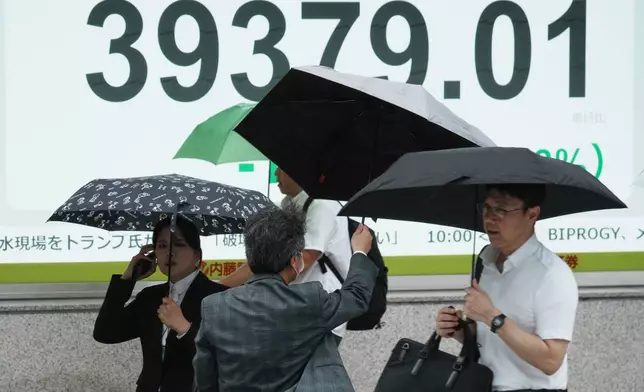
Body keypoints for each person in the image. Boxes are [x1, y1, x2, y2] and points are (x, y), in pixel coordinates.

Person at [193, 203, 377, 392]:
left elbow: (205, 377)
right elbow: (356, 296)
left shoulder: (214, 307)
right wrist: (360, 252)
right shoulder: (309, 301)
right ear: (295, 261)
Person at [435, 184, 578, 392]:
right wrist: (457, 328)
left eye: (501, 210)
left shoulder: (552, 274)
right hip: (483, 385)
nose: (489, 218)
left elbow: (551, 360)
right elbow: (488, 340)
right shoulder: (486, 260)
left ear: (532, 214)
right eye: (486, 208)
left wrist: (493, 317)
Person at [93, 215, 228, 392]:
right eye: (162, 246)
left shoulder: (220, 297)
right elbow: (105, 333)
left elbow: (225, 359)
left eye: (179, 244)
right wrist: (126, 280)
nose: (170, 252)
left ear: (197, 256)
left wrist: (184, 329)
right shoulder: (150, 297)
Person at [220, 167, 353, 345]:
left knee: (309, 372)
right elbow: (264, 260)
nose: (275, 174)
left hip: (320, 315)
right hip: (293, 311)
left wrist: (226, 287)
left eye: (280, 168)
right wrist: (222, 286)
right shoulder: (287, 204)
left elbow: (305, 257)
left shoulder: (322, 205)